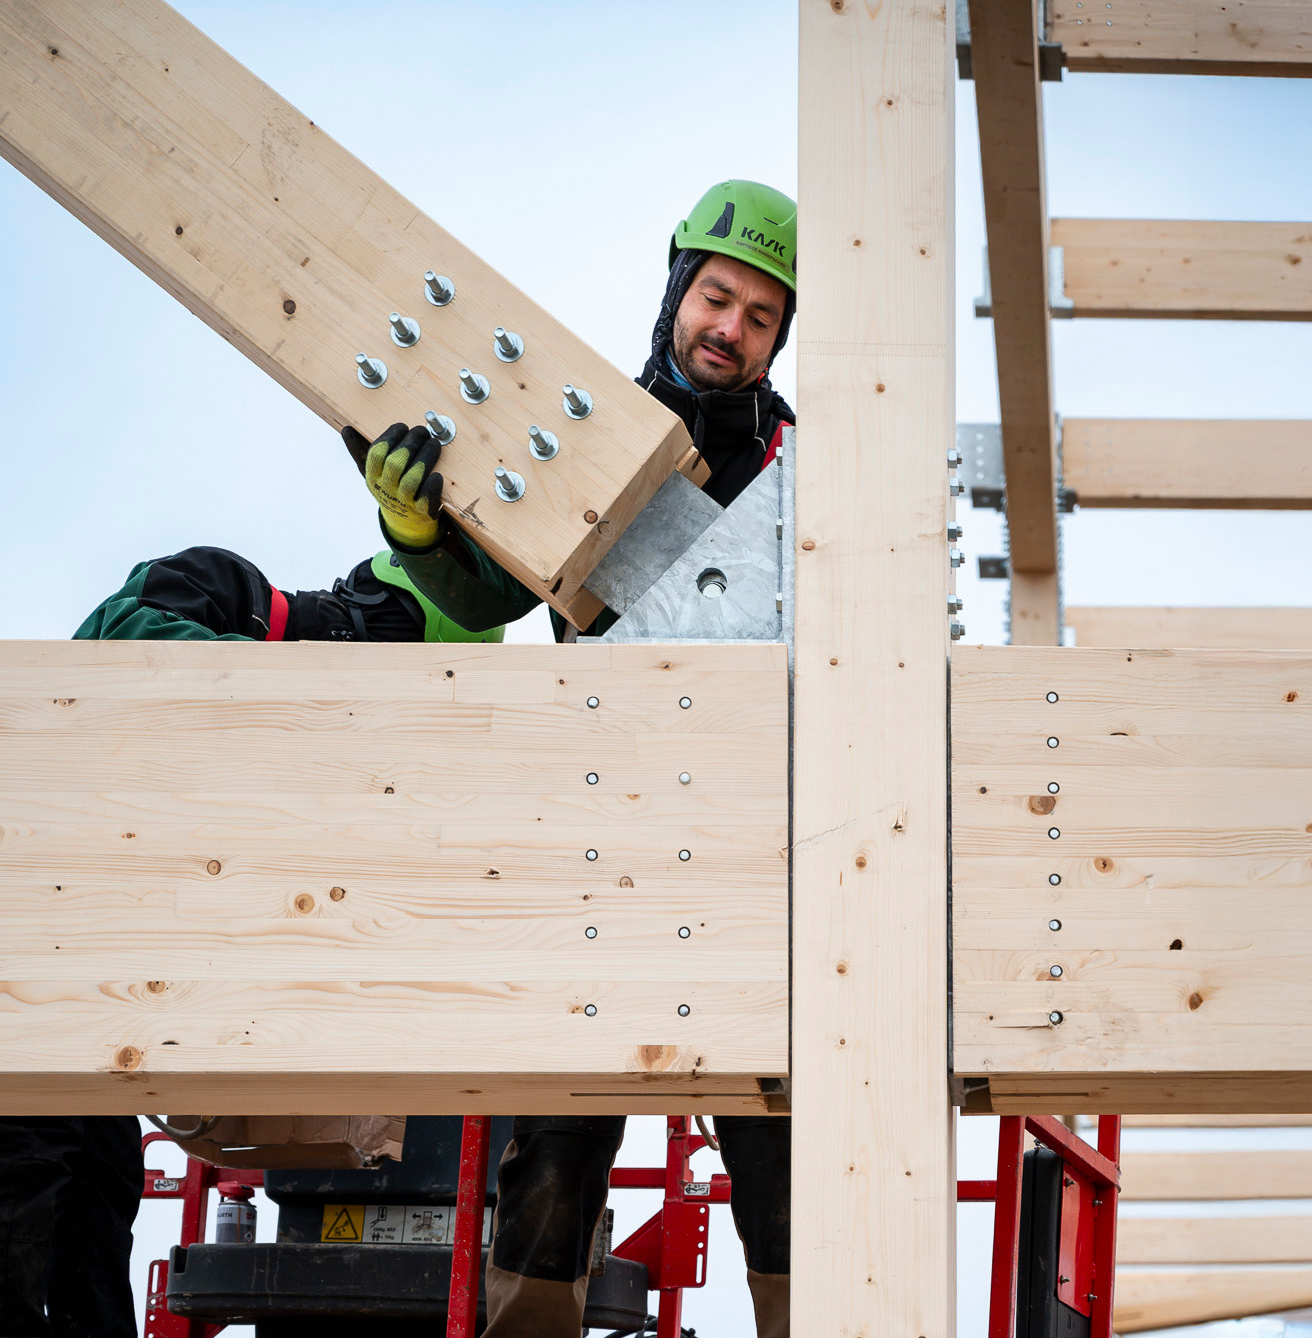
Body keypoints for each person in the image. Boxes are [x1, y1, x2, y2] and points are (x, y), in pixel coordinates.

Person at [341, 180, 798, 1338]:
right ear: (677, 291)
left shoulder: (806, 474)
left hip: (764, 849)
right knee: (553, 1152)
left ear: (778, 338)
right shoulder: (587, 436)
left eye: (758, 316)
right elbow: (483, 596)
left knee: (788, 1157)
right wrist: (415, 530)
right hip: (605, 828)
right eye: (716, 297)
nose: (729, 329)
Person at [0, 546, 490, 1338]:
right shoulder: (219, 583)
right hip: (30, 936)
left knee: (100, 1180)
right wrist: (288, 696)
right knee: (23, 1156)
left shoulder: (267, 763)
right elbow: (126, 635)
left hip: (101, 964)